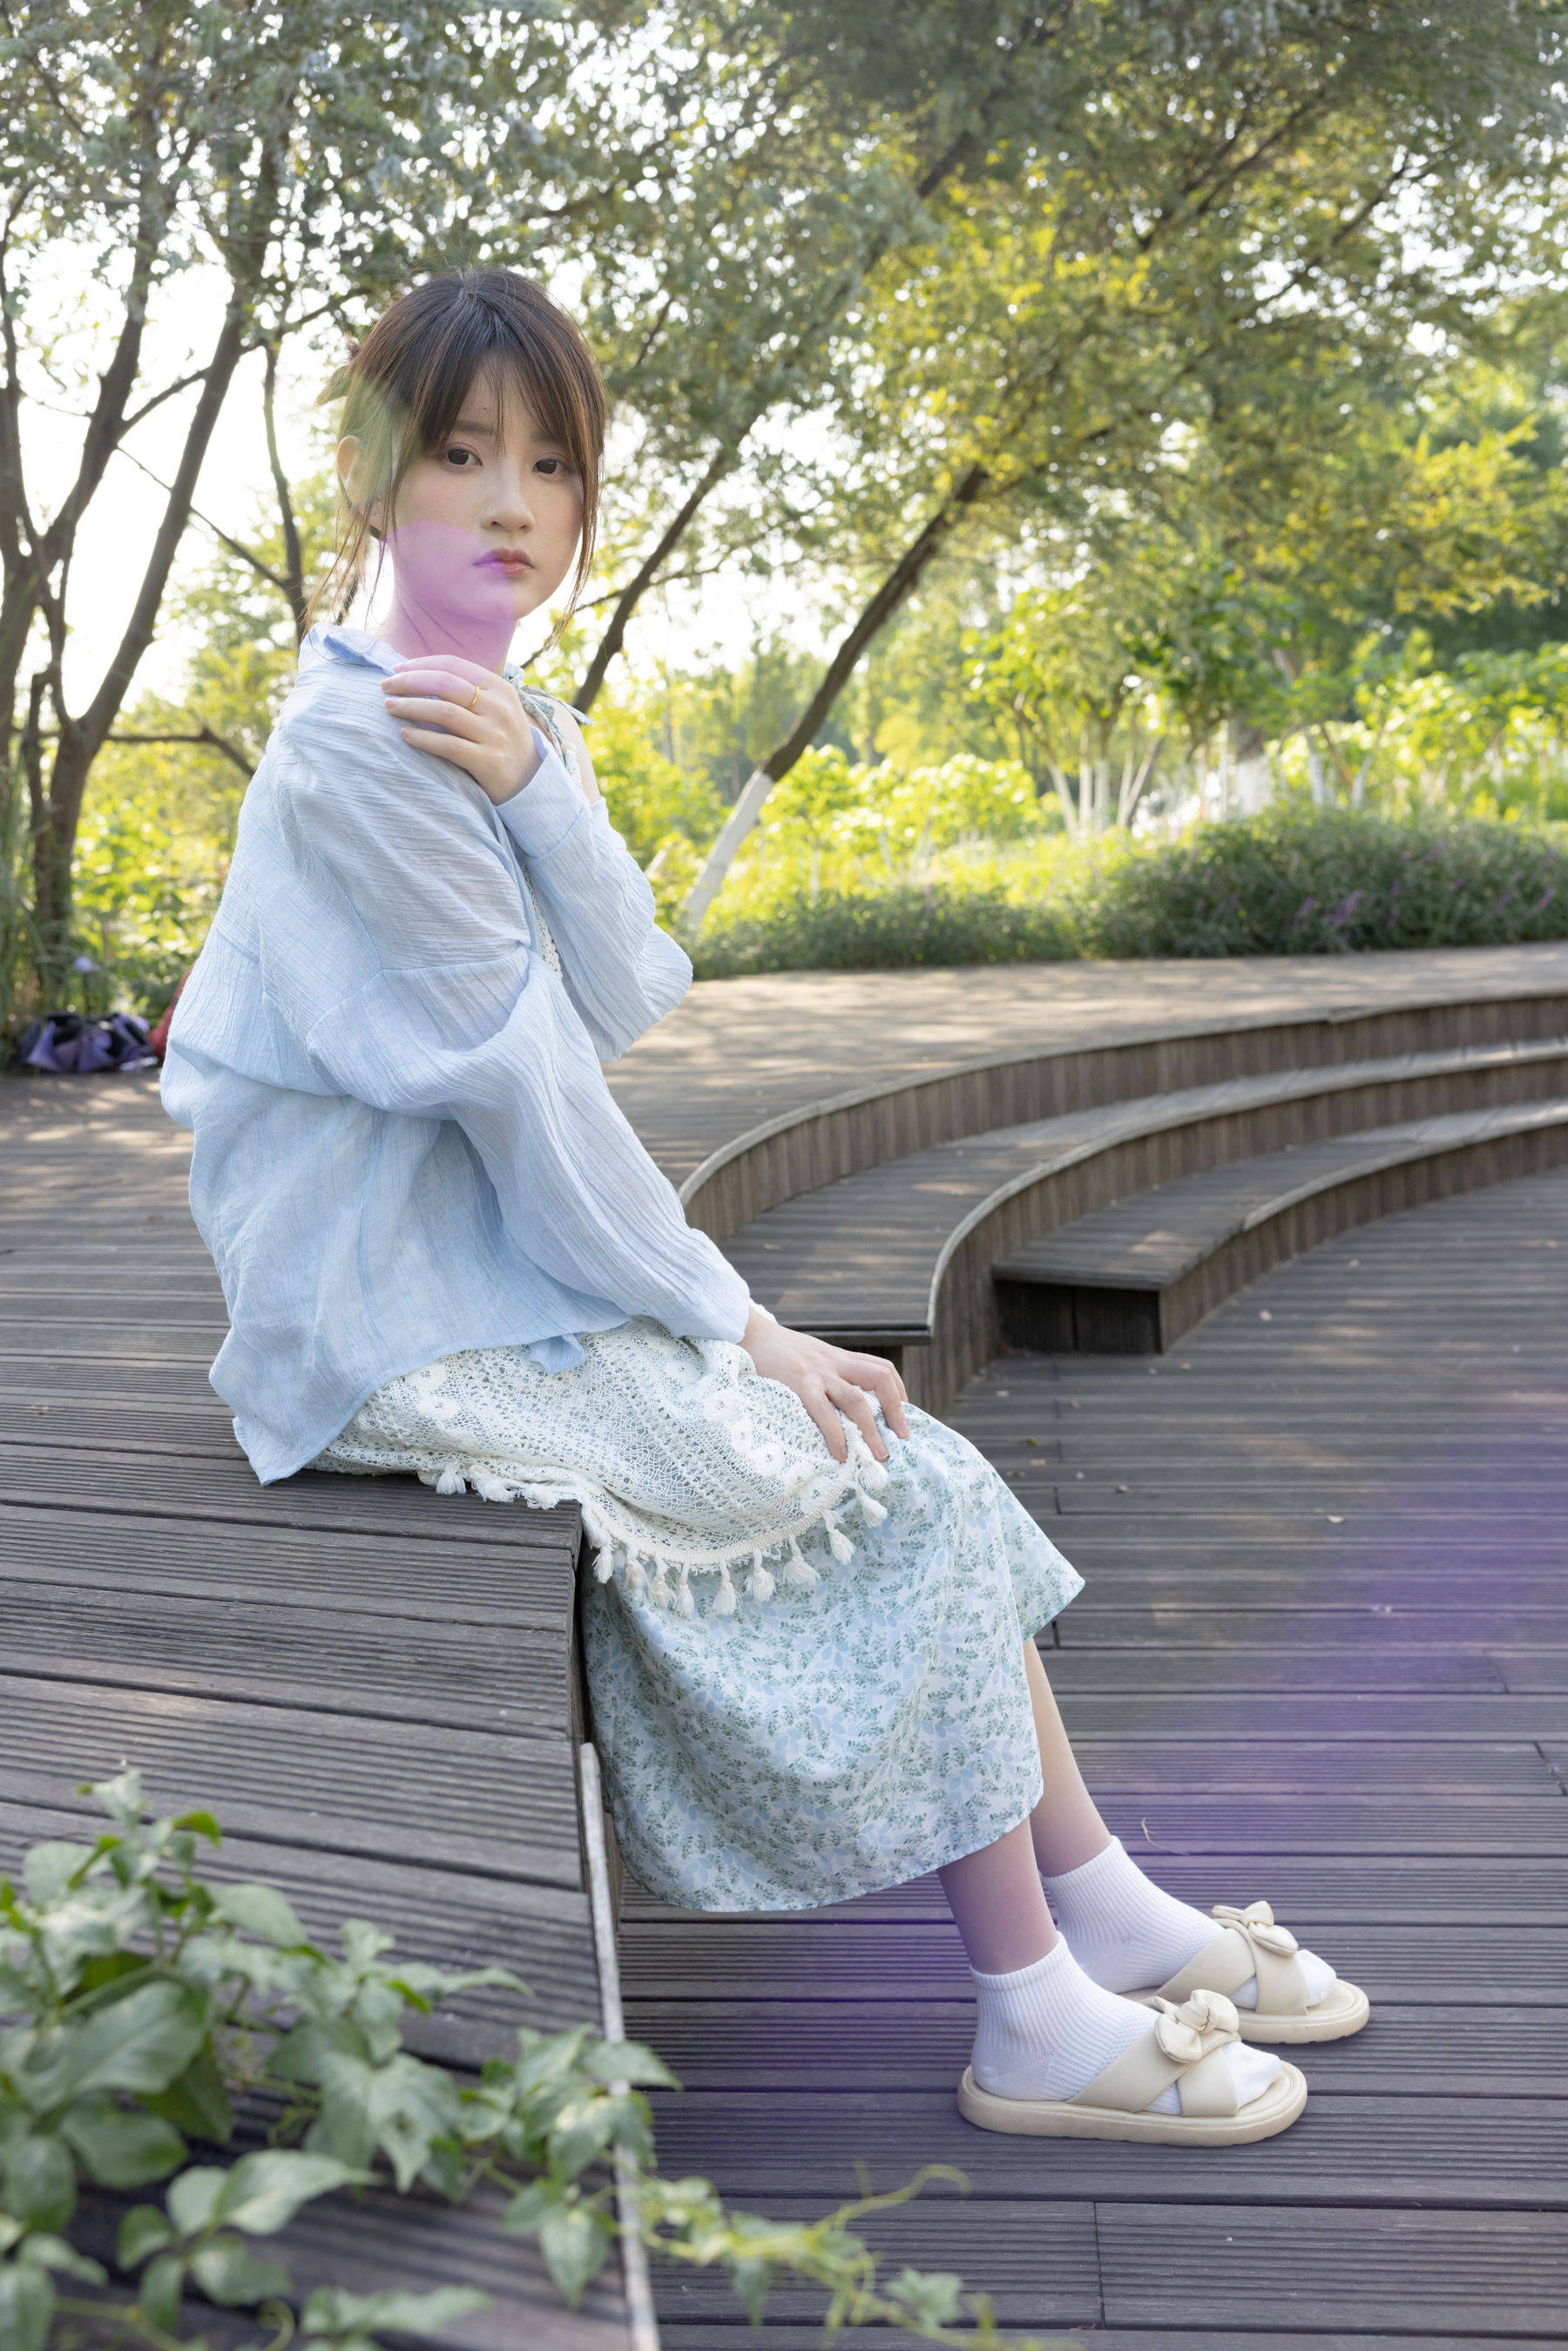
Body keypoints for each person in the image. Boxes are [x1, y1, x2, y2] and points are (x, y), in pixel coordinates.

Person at [163, 268, 1366, 2147]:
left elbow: (628, 987)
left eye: (551, 464)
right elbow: (532, 1091)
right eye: (462, 453)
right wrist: (742, 1321)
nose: (510, 503)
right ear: (371, 477)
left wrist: (546, 786)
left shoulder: (500, 716)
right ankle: (1031, 2013)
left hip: (494, 1256)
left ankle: (1104, 1907)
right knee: (873, 1475)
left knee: (915, 1457)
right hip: (387, 1308)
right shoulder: (350, 749)